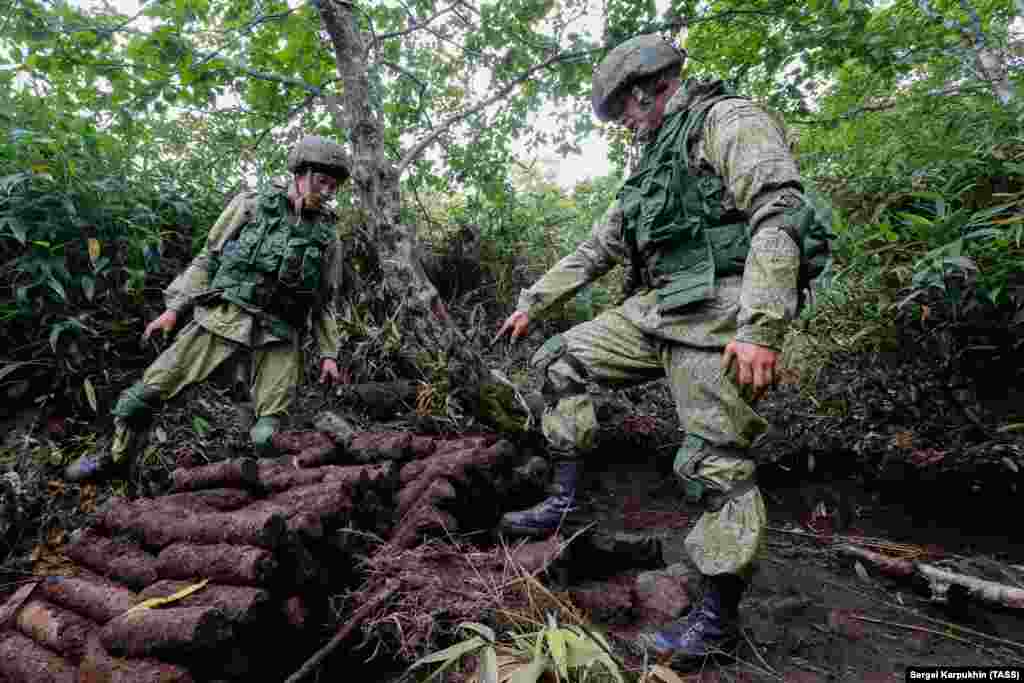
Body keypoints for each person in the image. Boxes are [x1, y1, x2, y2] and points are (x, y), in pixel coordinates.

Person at [491, 35, 820, 667]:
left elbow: (780, 211)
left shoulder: (727, 121)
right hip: (660, 308)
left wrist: (760, 328)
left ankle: (716, 620)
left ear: (649, 90)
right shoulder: (649, 164)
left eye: (624, 110)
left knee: (715, 461)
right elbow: (597, 249)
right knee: (560, 359)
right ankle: (563, 500)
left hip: (721, 313)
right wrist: (534, 302)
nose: (623, 123)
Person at [65, 135, 351, 482]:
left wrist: (329, 354)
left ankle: (269, 489)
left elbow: (324, 302)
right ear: (300, 173)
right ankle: (115, 460)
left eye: (333, 187)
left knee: (268, 434)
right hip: (223, 318)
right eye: (322, 182)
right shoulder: (251, 205)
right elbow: (208, 258)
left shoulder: (327, 236)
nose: (327, 192)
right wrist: (175, 308)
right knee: (141, 398)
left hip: (279, 334)